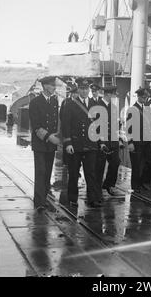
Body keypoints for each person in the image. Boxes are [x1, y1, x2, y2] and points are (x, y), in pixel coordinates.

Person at [61, 78, 102, 208]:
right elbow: (66, 125)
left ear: (89, 89)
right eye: (82, 89)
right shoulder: (70, 104)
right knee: (73, 173)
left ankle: (93, 199)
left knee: (91, 173)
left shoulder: (94, 105)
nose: (84, 91)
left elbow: (98, 126)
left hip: (90, 144)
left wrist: (100, 142)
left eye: (86, 89)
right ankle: (72, 198)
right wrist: (68, 143)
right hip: (76, 144)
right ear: (78, 89)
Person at [28, 75, 60, 211]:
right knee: (40, 171)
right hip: (40, 143)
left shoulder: (54, 102)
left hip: (51, 145)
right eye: (52, 85)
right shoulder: (35, 102)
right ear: (46, 86)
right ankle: (39, 202)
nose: (54, 87)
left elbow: (55, 122)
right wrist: (49, 137)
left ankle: (44, 197)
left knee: (47, 172)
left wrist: (57, 137)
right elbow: (36, 126)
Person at [127, 87, 151, 192]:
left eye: (146, 97)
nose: (145, 99)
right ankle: (135, 185)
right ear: (138, 97)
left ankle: (145, 182)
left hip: (147, 140)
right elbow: (129, 127)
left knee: (150, 161)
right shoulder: (132, 109)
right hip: (137, 141)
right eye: (143, 97)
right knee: (137, 164)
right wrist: (130, 142)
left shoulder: (147, 108)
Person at [96, 85, 121, 196]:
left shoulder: (113, 108)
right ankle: (96, 189)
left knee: (115, 162)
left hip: (113, 141)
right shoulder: (97, 106)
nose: (114, 97)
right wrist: (100, 142)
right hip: (101, 142)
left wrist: (119, 139)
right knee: (99, 166)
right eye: (114, 94)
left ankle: (109, 184)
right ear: (108, 94)